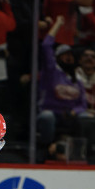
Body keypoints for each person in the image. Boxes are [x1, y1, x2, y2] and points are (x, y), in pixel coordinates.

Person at [37, 15, 87, 161]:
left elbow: (83, 104)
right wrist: (58, 24)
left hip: (69, 115)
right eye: (65, 55)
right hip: (51, 112)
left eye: (71, 55)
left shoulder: (77, 79)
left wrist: (75, 111)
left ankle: (80, 152)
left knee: (86, 118)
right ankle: (46, 147)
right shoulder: (52, 72)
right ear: (58, 58)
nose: (69, 58)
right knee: (47, 117)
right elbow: (46, 46)